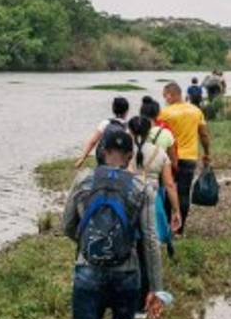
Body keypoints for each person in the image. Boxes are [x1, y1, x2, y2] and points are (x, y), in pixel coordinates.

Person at [62, 127, 165, 319]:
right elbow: (149, 241)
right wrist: (156, 288)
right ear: (130, 156)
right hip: (127, 274)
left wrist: (87, 246)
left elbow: (67, 226)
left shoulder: (83, 181)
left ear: (101, 151)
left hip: (88, 272)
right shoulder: (139, 187)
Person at [128, 114, 181, 284]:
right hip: (153, 199)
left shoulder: (126, 152)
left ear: (130, 131)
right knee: (151, 241)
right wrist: (176, 210)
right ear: (149, 131)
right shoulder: (160, 153)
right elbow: (169, 185)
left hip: (129, 198)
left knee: (131, 242)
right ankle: (151, 283)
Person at [160, 82, 211, 233]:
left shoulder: (165, 113)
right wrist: (207, 153)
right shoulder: (196, 110)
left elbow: (159, 135)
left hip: (169, 158)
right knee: (183, 192)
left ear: (171, 94)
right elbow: (204, 135)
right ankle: (179, 230)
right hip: (189, 157)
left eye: (165, 96)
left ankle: (168, 226)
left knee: (169, 190)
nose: (165, 99)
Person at [73, 96, 130, 168]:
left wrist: (82, 158)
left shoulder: (105, 123)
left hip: (103, 158)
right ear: (127, 111)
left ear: (113, 109)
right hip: (119, 161)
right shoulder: (128, 128)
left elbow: (93, 142)